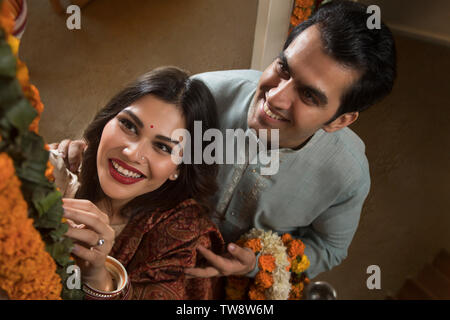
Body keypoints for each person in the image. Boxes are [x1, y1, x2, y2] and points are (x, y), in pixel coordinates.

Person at [60, 1, 397, 282]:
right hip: (149, 238)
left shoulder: (348, 176)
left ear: (340, 120)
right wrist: (90, 152)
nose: (276, 98)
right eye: (283, 67)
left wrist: (254, 265)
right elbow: (141, 136)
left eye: (308, 95)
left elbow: (329, 248)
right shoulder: (205, 93)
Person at [50, 67, 225, 299]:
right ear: (107, 121)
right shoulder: (53, 174)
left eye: (163, 147)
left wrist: (98, 278)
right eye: (129, 126)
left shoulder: (183, 237)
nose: (132, 154)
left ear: (179, 169)